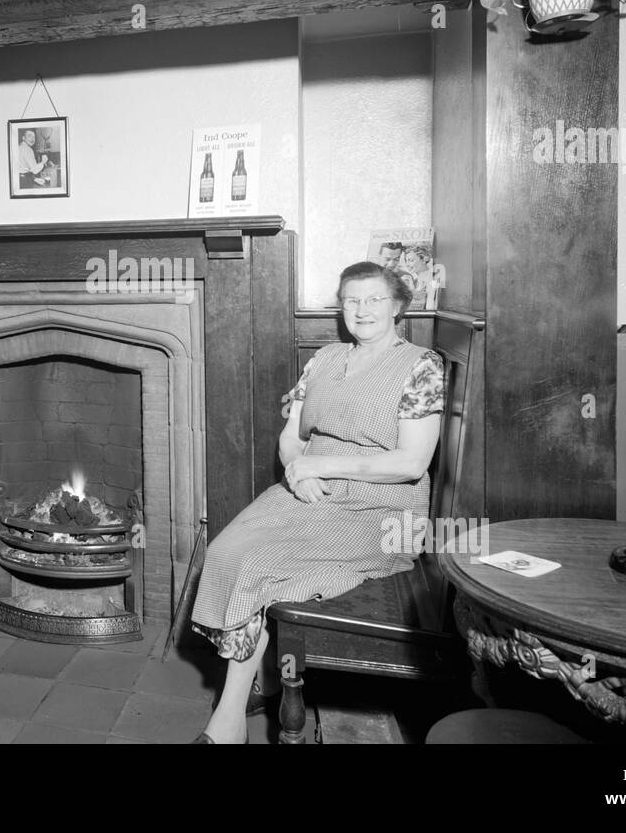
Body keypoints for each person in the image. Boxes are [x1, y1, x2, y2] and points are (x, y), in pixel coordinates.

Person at [190, 261, 443, 743]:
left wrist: (318, 467)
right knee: (225, 552)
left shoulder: (421, 365)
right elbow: (291, 437)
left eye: (373, 299)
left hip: (381, 508)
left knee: (258, 563)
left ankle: (225, 723)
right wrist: (295, 468)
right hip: (309, 488)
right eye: (351, 300)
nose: (361, 309)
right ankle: (252, 678)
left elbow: (411, 462)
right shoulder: (323, 359)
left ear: (397, 307)